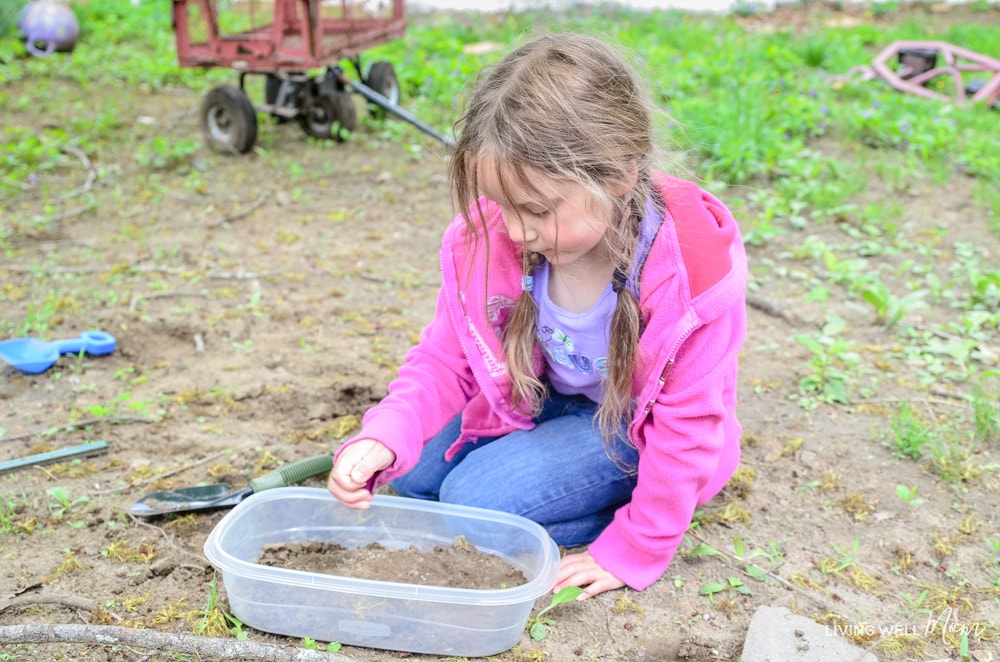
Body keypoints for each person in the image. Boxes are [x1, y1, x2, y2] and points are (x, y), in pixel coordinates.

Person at [328, 32, 747, 600]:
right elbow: (445, 357)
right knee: (409, 472)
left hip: (631, 427)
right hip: (541, 397)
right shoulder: (488, 239)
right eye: (502, 205)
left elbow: (688, 424)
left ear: (619, 176)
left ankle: (643, 510)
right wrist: (384, 435)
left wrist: (637, 547)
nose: (516, 231)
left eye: (536, 210)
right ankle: (521, 484)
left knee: (473, 503)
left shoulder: (690, 270)